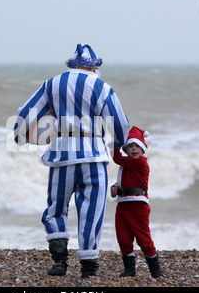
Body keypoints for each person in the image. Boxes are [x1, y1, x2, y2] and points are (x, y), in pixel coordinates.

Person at [14, 44, 130, 278]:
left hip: (61, 156)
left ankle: (59, 262)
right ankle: (89, 267)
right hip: (94, 156)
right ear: (92, 66)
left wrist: (20, 136)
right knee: (92, 211)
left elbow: (25, 114)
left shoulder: (52, 84)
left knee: (56, 210)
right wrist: (120, 146)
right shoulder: (101, 86)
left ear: (72, 65)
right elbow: (120, 124)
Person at [110, 126, 163, 278]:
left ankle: (155, 271)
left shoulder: (140, 162)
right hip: (123, 204)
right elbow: (124, 181)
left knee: (143, 238)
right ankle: (129, 269)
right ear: (126, 150)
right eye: (130, 146)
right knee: (123, 237)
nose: (134, 149)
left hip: (138, 206)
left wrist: (117, 141)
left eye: (137, 146)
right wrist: (115, 187)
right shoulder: (127, 165)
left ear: (143, 149)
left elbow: (116, 157)